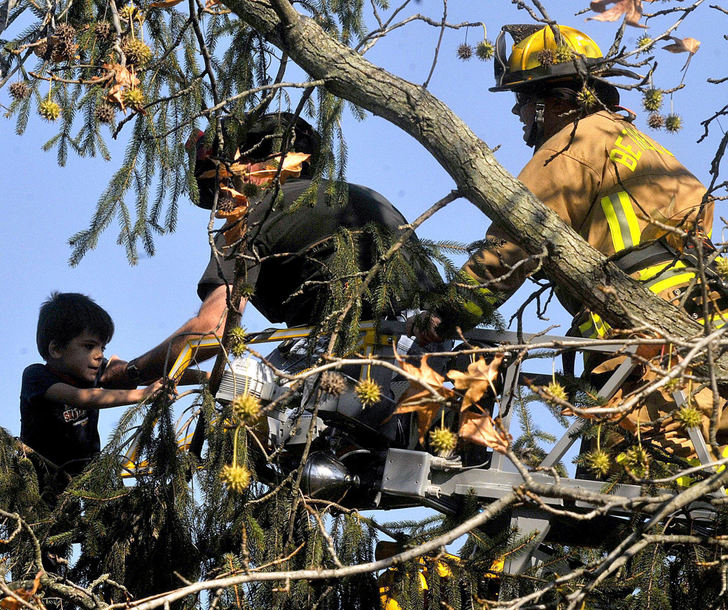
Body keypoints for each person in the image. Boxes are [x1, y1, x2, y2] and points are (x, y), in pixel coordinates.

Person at [413, 24, 728, 466]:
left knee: (632, 475)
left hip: (638, 339)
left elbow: (515, 243)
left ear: (556, 100)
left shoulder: (573, 144)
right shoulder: (643, 147)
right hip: (702, 326)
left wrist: (448, 314)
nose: (519, 113)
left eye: (523, 100)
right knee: (700, 471)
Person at [103, 112, 443, 387]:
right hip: (438, 350)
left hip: (358, 349)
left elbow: (212, 329)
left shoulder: (251, 215)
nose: (223, 198)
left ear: (250, 164)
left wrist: (132, 372)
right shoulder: (358, 196)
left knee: (241, 389)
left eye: (222, 179)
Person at [20, 292, 167, 496]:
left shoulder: (94, 371)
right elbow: (83, 398)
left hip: (85, 475)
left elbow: (146, 372)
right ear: (56, 349)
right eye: (89, 346)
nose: (99, 355)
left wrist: (204, 376)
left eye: (102, 347)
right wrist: (143, 395)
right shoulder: (36, 376)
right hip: (40, 482)